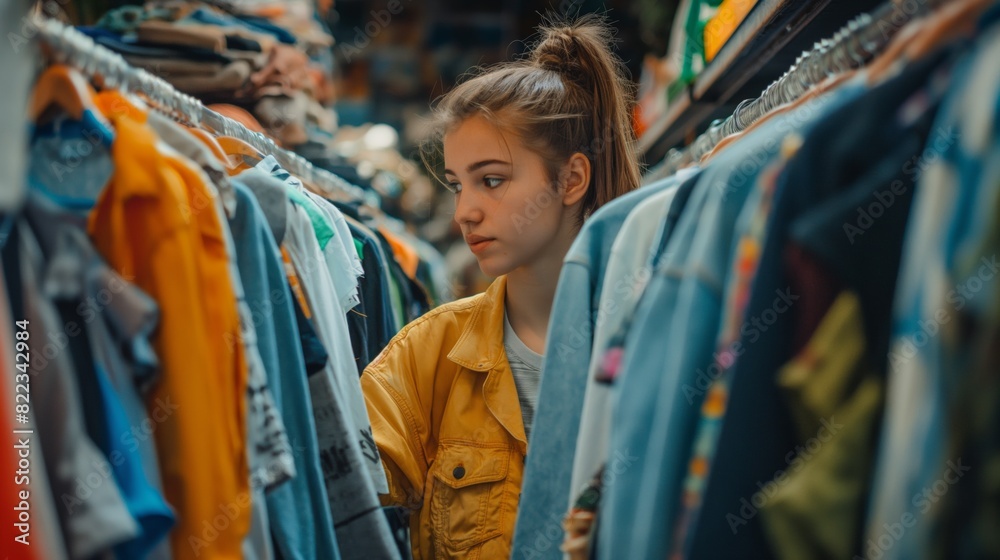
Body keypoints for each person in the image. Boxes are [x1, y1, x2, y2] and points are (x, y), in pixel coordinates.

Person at [361, 15, 641, 559]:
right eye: (458, 184)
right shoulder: (428, 357)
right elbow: (336, 496)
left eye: (491, 180)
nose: (465, 212)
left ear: (571, 180)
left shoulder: (658, 338)